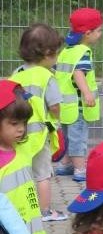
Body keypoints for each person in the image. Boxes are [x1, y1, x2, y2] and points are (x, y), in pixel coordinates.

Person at [10, 23, 68, 222]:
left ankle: (19, 207)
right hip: (40, 136)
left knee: (20, 171)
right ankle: (44, 212)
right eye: (56, 53)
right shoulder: (47, 76)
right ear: (48, 53)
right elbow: (55, 106)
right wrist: (57, 118)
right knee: (43, 174)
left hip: (17, 134)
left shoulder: (16, 73)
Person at [0, 80, 50, 234]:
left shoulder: (24, 148)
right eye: (14, 124)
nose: (21, 129)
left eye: (24, 123)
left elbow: (41, 123)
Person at [54, 7, 103, 182]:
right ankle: (80, 169)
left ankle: (65, 165)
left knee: (69, 137)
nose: (100, 34)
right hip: (78, 107)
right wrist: (87, 92)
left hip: (65, 106)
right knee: (78, 139)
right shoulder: (83, 52)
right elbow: (78, 73)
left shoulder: (66, 51)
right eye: (99, 31)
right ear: (88, 33)